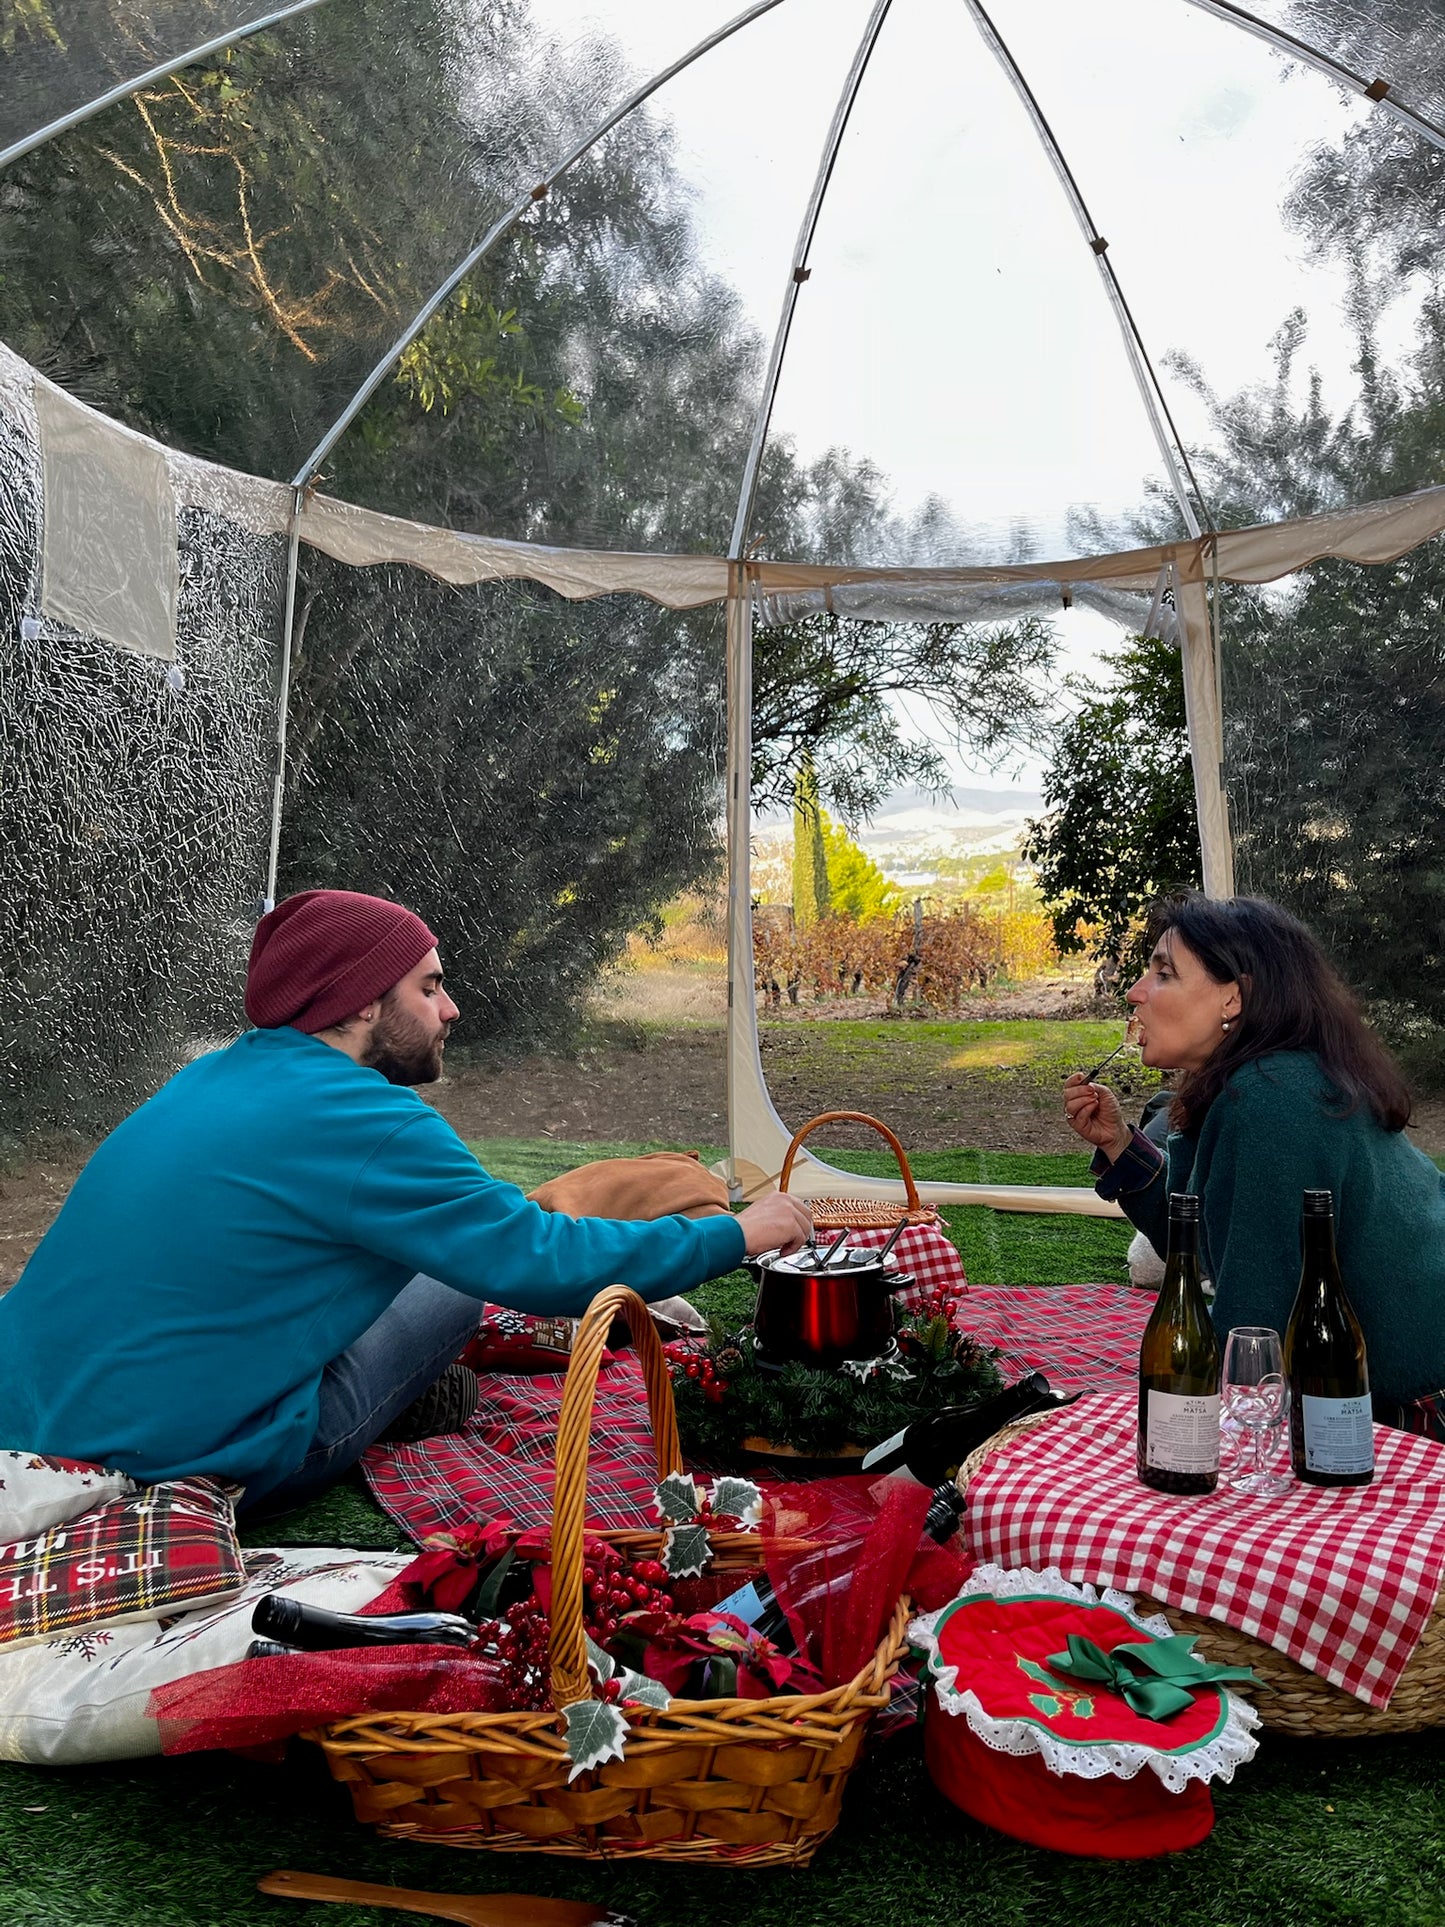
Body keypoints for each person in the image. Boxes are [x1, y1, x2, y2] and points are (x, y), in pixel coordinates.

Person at [0, 890, 812, 1509]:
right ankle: (391, 1403)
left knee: (411, 1257)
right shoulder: (363, 1120)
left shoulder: (210, 1074)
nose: (450, 1008)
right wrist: (737, 1235)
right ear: (360, 1001)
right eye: (429, 986)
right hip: (182, 1462)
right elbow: (543, 1263)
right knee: (460, 1285)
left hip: (32, 1430)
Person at [1064, 893, 1445, 1437]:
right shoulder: (1256, 1082)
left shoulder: (1271, 1097)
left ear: (1233, 1000)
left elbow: (1252, 1337)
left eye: (1164, 974)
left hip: (1420, 1404)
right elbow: (1196, 1238)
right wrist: (1121, 1145)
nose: (1136, 992)